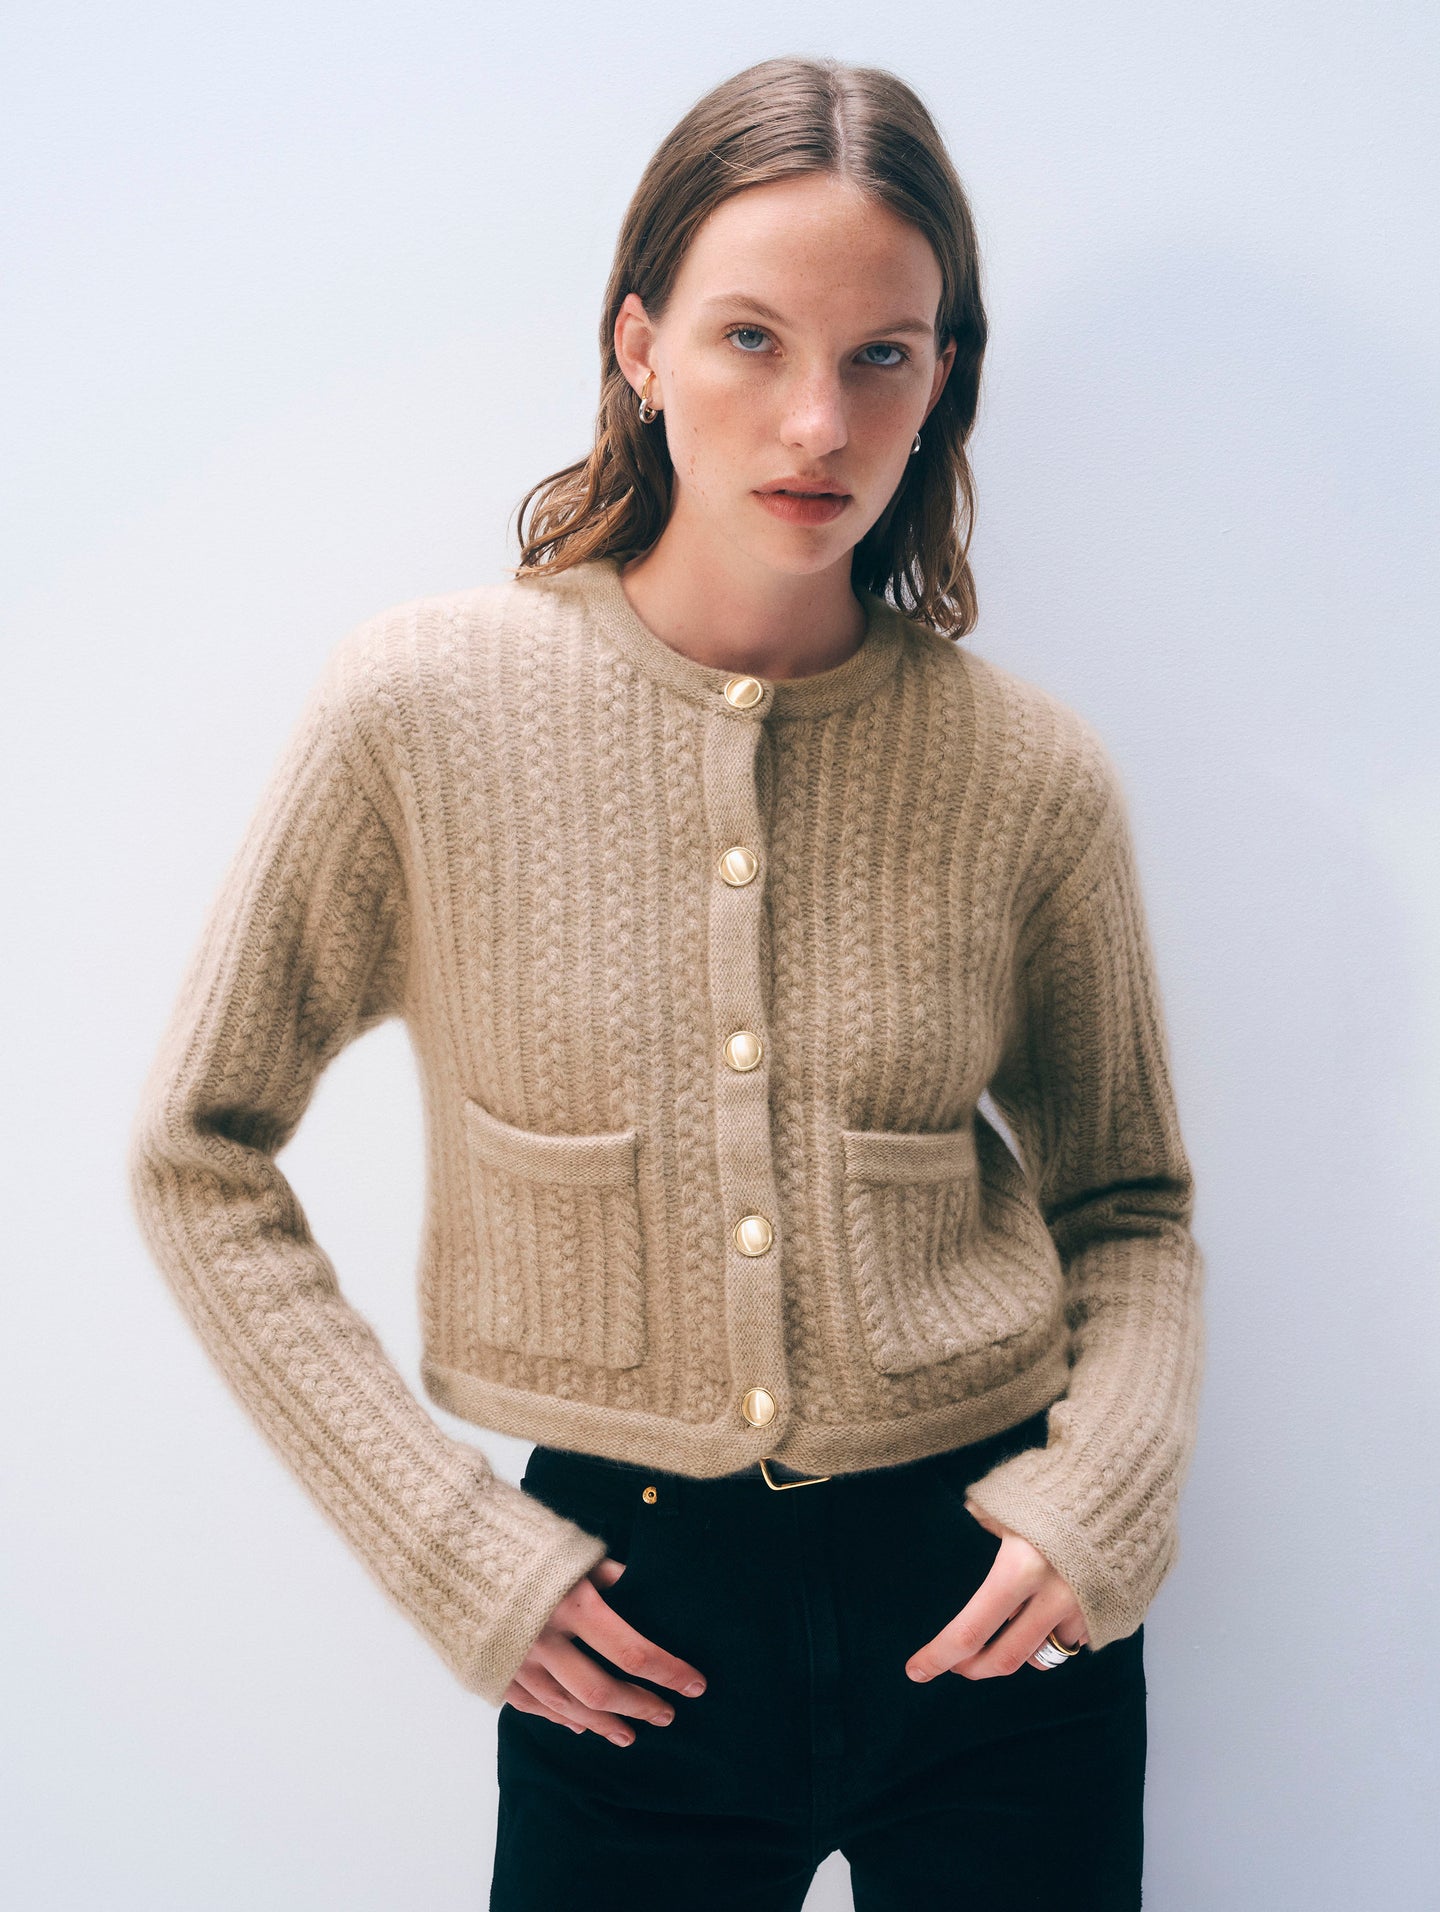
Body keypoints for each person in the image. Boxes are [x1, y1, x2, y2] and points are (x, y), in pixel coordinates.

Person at [127, 53, 1205, 1912]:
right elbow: (196, 1154)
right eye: (750, 339)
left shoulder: (1028, 772)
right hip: (624, 1627)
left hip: (997, 1616)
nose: (818, 420)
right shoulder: (421, 712)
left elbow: (1132, 1204)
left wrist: (1094, 1497)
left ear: (943, 378)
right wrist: (450, 1544)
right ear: (639, 344)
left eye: (884, 355)